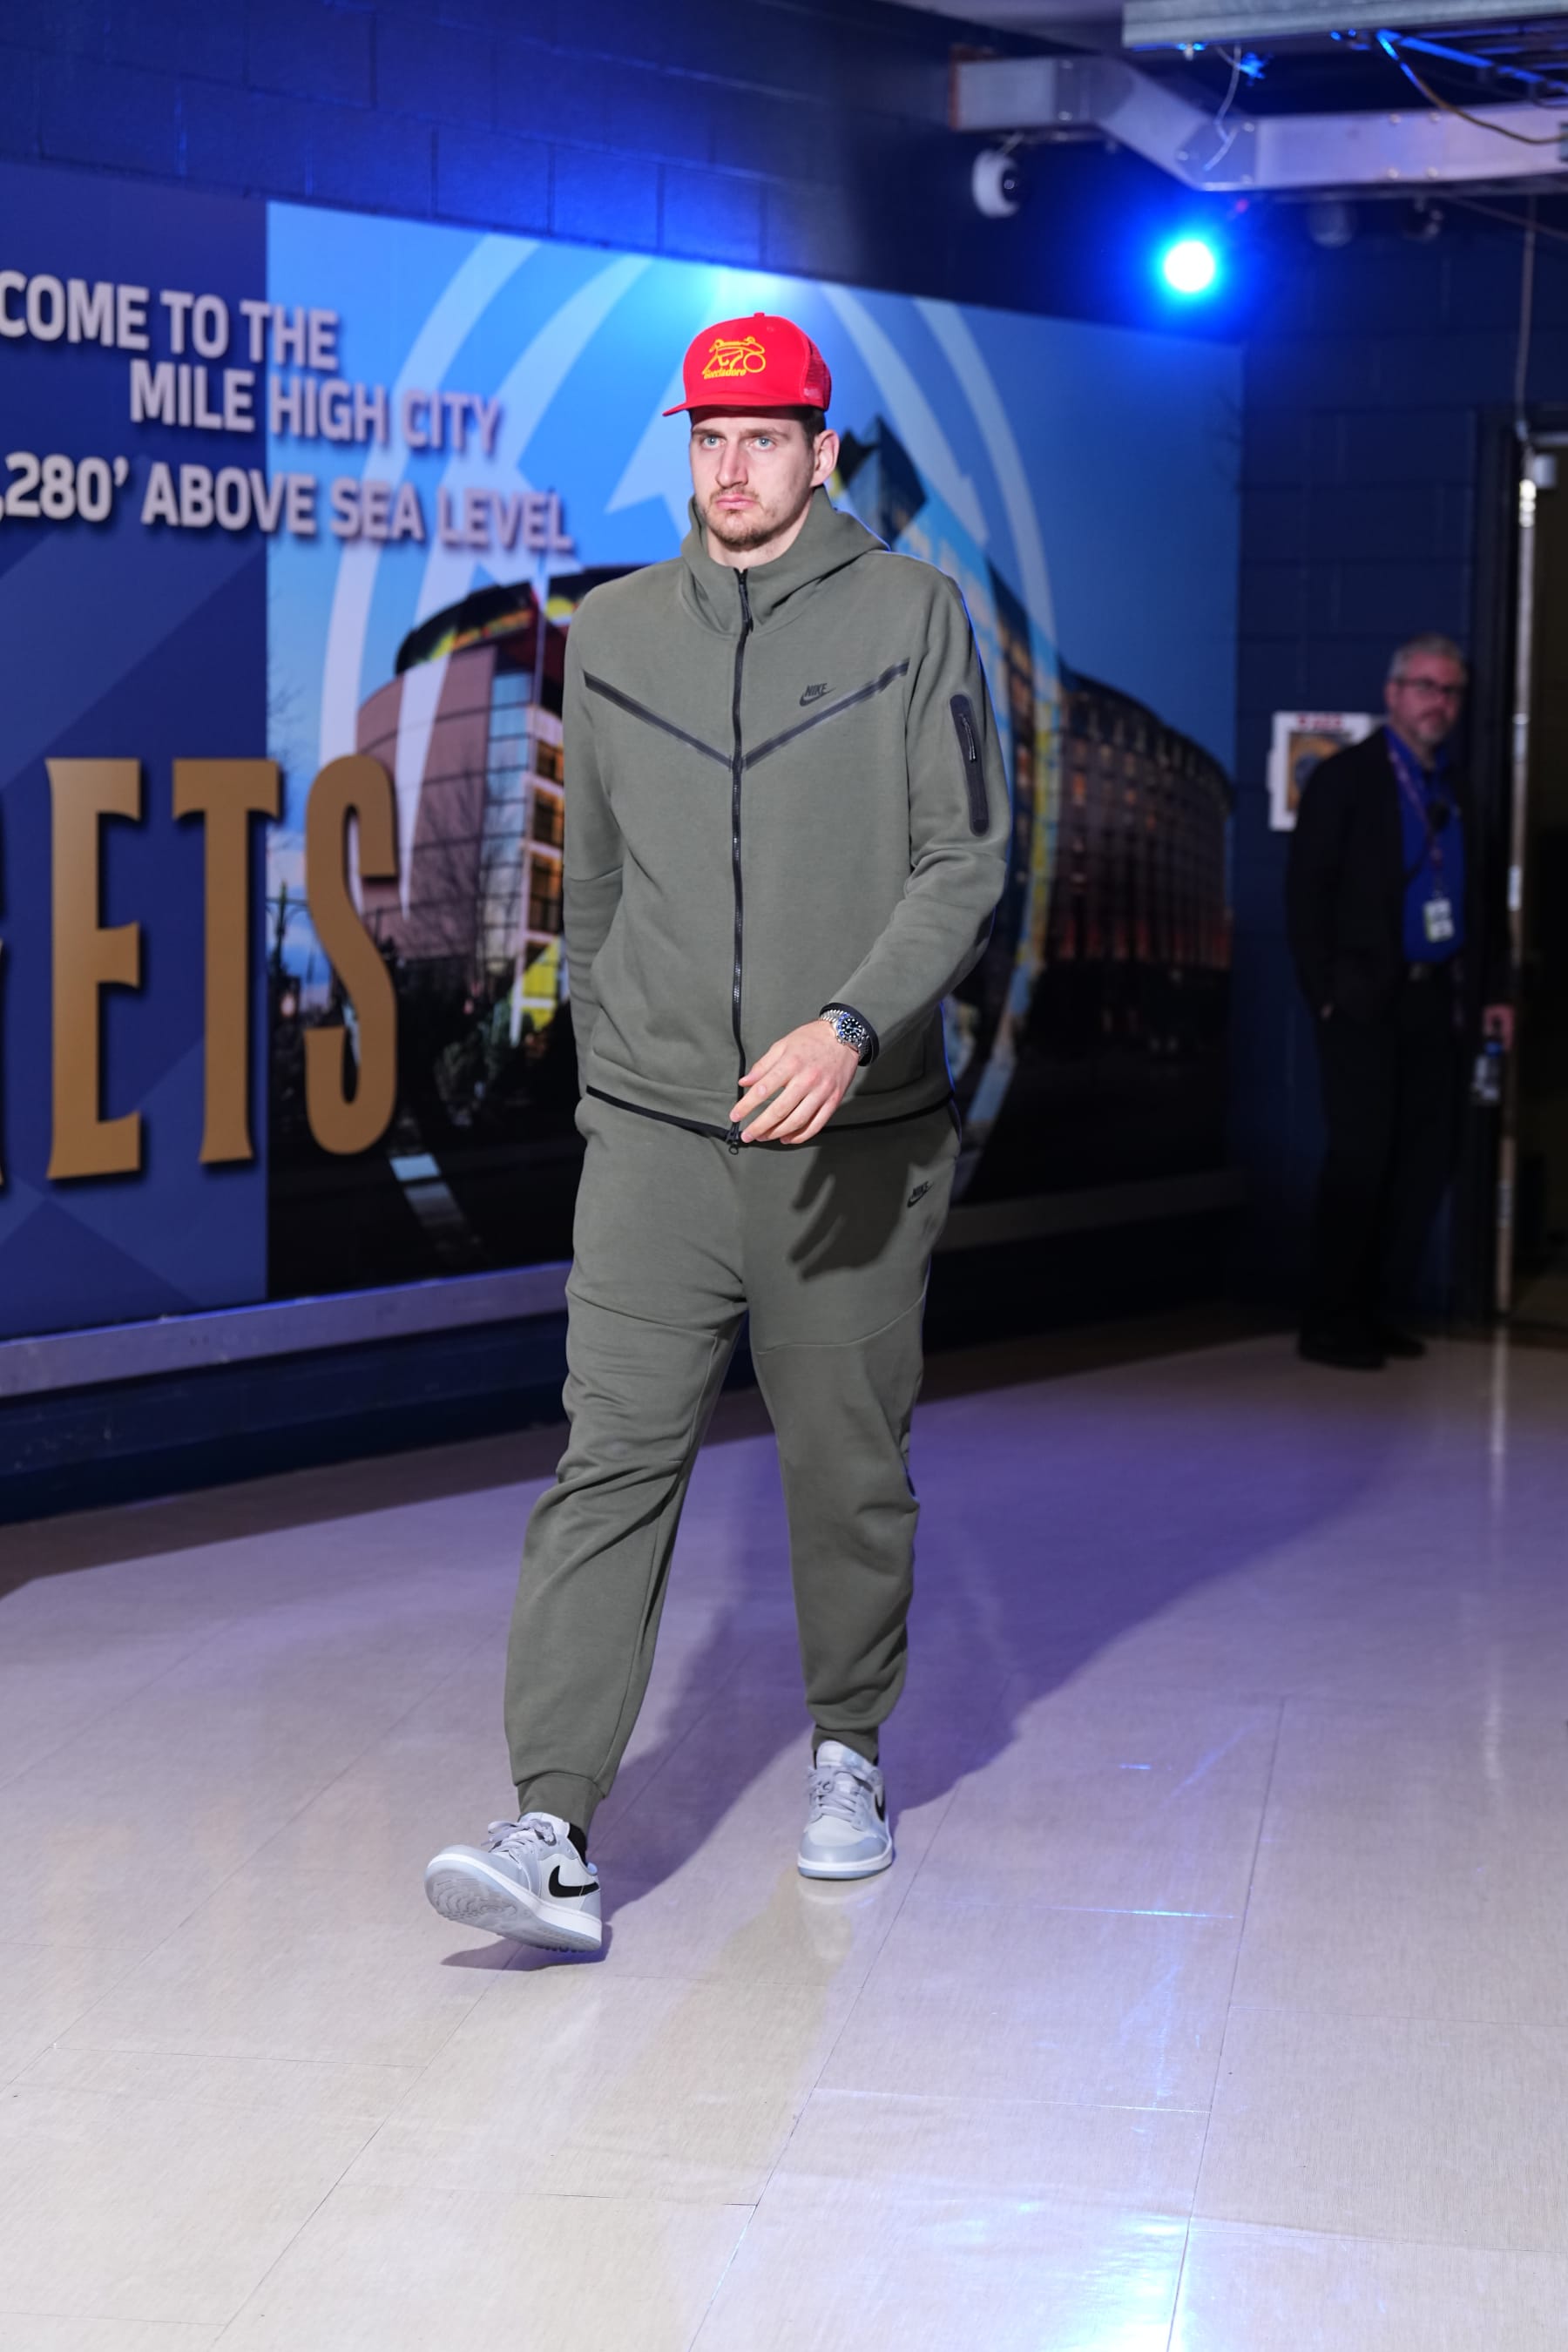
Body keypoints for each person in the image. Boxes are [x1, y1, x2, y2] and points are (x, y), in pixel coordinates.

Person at [424, 312, 1010, 1951]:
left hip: (857, 1138)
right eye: (706, 437)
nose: (730, 468)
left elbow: (961, 861)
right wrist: (621, 1060)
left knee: (844, 1467)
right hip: (660, 1137)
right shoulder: (612, 635)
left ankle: (848, 1752)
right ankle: (551, 1821)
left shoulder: (915, 618)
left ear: (822, 454)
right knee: (607, 1460)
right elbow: (593, 888)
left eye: (764, 438)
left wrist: (848, 1028)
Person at [1285, 633, 1511, 1370]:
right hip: (1360, 1006)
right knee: (1360, 1160)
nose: (1438, 702)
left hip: (1432, 1006)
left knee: (1419, 1163)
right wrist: (1326, 996)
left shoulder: (1457, 787)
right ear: (1393, 694)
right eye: (1424, 687)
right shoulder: (1346, 779)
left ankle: (1376, 1311)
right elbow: (1304, 897)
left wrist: (1492, 995)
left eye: (1450, 691)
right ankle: (1329, 1322)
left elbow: (1477, 903)